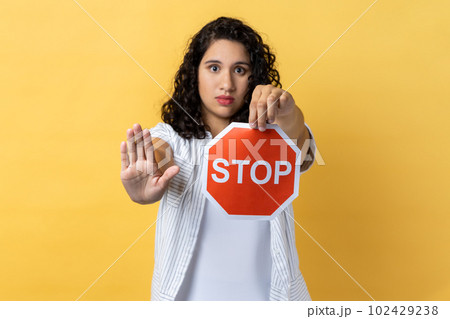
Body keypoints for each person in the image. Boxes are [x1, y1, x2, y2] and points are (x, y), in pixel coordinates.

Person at [120, 17, 316, 301]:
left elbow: (303, 151)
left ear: (254, 78)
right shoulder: (172, 137)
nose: (227, 83)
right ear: (194, 73)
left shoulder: (274, 139)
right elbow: (161, 152)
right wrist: (149, 172)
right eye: (214, 68)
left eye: (240, 70)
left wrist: (287, 110)